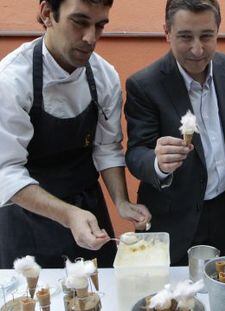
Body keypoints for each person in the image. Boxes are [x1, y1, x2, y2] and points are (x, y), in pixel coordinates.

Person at [0, 0, 151, 268]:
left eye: (100, 25)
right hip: (26, 215)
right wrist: (68, 215)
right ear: (47, 14)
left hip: (87, 206)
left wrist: (121, 201)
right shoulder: (11, 80)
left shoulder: (104, 76)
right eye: (79, 22)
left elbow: (107, 147)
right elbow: (6, 172)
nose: (90, 38)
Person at [125, 0, 225, 265]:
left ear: (218, 30)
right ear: (167, 32)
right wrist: (157, 163)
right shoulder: (144, 84)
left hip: (223, 209)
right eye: (185, 37)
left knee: (220, 285)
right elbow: (136, 152)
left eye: (207, 36)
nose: (197, 49)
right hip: (172, 216)